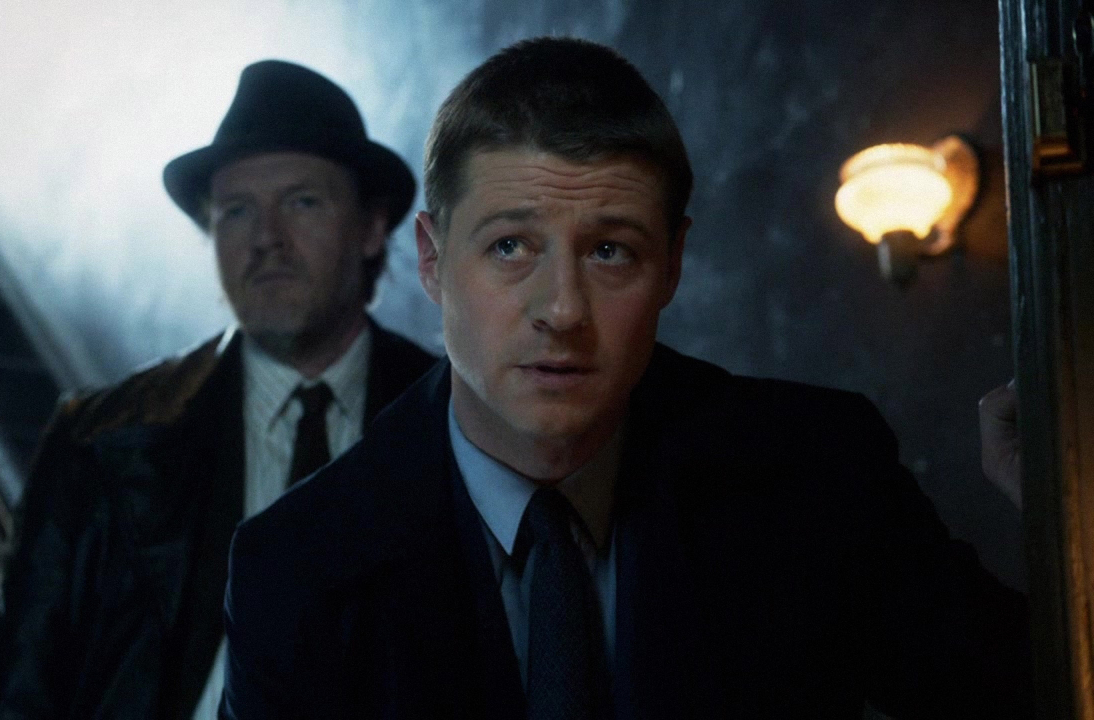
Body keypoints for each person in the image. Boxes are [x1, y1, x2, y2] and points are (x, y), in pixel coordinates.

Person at [219, 38, 1030, 718]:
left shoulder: (813, 473)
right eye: (510, 247)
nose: (563, 308)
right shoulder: (296, 567)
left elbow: (1032, 693)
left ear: (671, 265)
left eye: (610, 251)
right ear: (433, 261)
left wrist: (1063, 507)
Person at [0, 61, 435, 719]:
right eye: (236, 210)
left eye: (302, 201)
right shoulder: (100, 444)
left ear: (371, 227)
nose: (266, 239)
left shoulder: (457, 427)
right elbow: (15, 698)